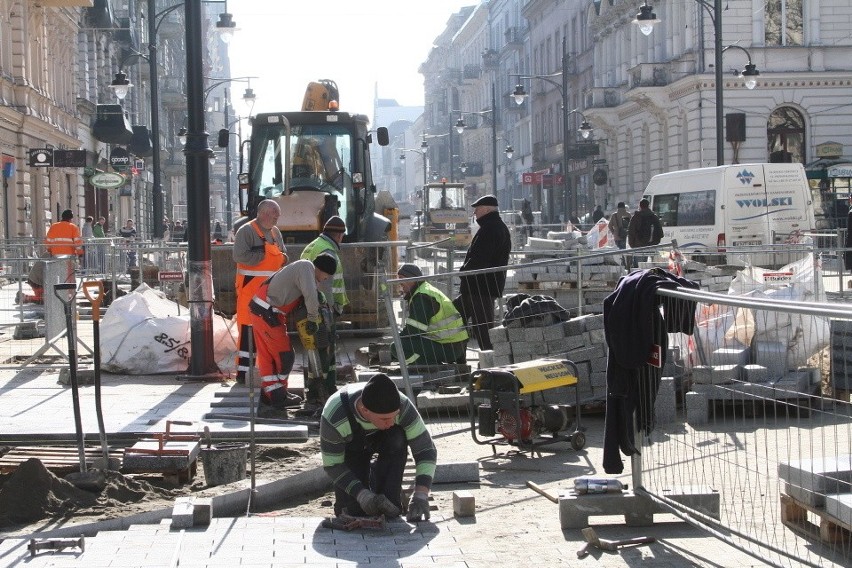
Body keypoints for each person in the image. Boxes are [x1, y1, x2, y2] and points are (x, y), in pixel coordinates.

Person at [319, 373, 436, 522]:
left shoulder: (402, 405)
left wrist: (421, 495)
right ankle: (369, 481)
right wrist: (362, 495)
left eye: (395, 416)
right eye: (385, 419)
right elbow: (333, 465)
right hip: (351, 448)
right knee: (354, 511)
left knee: (391, 510)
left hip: (388, 444)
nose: (392, 422)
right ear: (364, 409)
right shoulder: (335, 415)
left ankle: (385, 487)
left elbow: (426, 450)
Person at [249, 255, 336, 415]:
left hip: (264, 310)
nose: (325, 279)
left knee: (268, 356)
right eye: (326, 276)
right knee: (285, 356)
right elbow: (310, 295)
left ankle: (275, 394)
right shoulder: (306, 268)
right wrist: (312, 319)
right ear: (321, 269)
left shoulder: (302, 268)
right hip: (267, 312)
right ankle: (277, 395)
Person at [232, 200, 287, 385]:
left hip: (270, 293)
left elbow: (283, 254)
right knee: (248, 333)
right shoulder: (246, 231)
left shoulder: (275, 232)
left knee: (268, 332)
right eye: (275, 215)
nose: (277, 218)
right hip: (250, 293)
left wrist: (282, 258)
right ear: (263, 213)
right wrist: (263, 256)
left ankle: (265, 371)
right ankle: (243, 373)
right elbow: (239, 256)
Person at [300, 215, 348, 406]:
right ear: (339, 235)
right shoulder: (328, 251)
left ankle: (321, 387)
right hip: (323, 307)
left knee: (317, 349)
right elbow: (326, 284)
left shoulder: (313, 245)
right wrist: (330, 308)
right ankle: (322, 389)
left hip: (311, 304)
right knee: (324, 349)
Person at [453, 194, 511, 351]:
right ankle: (458, 357)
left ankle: (491, 362)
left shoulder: (491, 229)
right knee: (454, 320)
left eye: (477, 209)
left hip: (481, 288)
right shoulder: (492, 227)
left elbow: (480, 258)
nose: (474, 214)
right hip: (477, 288)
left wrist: (464, 271)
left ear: (486, 209)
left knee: (483, 331)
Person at [393, 263, 468, 365]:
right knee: (402, 344)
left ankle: (428, 367)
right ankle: (428, 363)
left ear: (412, 279)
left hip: (449, 347)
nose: (399, 283)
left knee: (396, 347)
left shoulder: (421, 297)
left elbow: (414, 330)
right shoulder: (426, 290)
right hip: (455, 345)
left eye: (401, 278)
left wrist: (397, 342)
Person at [627, 198, 664, 268]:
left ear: (640, 206)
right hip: (652, 245)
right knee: (652, 268)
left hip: (639, 246)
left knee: (639, 268)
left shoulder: (636, 217)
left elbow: (631, 232)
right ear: (648, 205)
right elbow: (660, 233)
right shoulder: (654, 217)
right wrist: (656, 242)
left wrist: (632, 245)